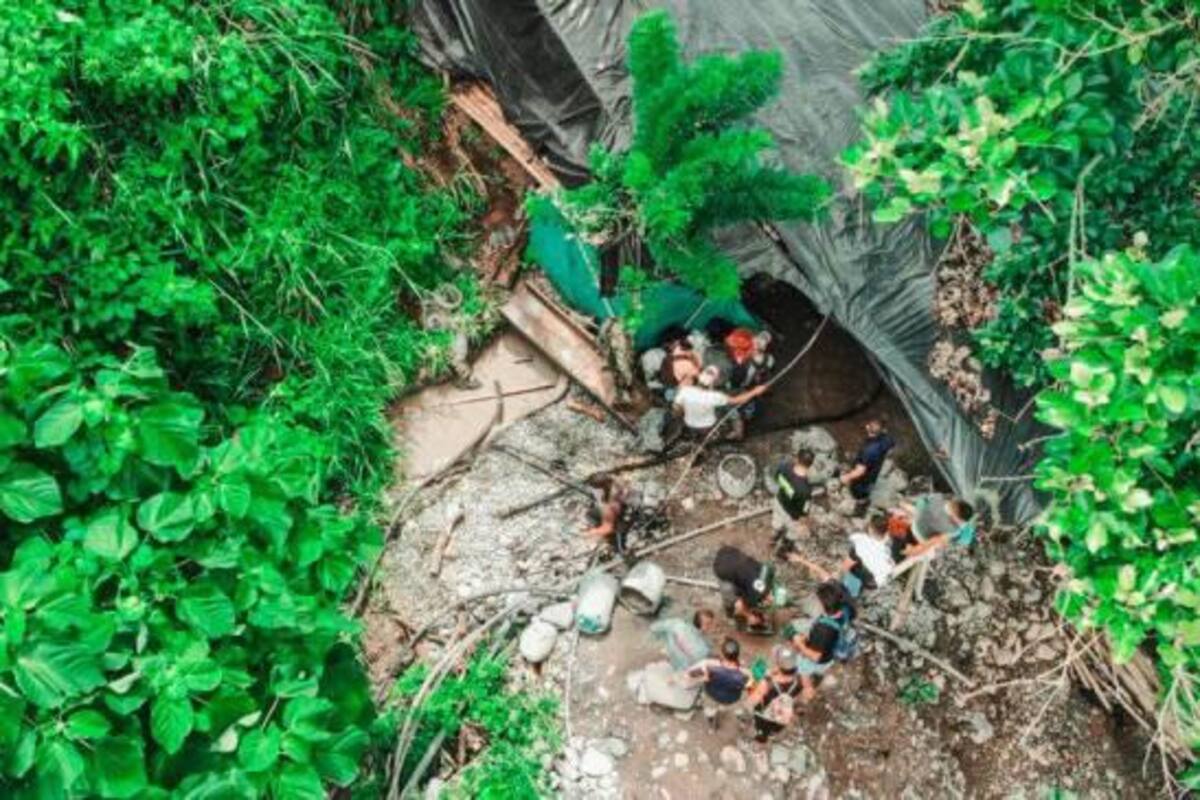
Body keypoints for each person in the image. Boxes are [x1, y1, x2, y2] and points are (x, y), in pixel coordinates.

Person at [787, 512, 894, 598]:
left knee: (849, 568)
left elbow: (843, 568)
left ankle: (853, 591)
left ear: (870, 528)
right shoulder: (888, 539)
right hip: (884, 576)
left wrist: (836, 574)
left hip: (872, 582)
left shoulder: (860, 544)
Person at [784, 582, 855, 701]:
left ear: (823, 604)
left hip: (819, 661)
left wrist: (799, 643)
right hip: (831, 650)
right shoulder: (844, 610)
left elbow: (815, 656)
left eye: (818, 600)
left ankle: (808, 693)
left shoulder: (823, 629)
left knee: (803, 668)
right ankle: (816, 678)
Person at [673, 366, 767, 440]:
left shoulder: (685, 391)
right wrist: (755, 391)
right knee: (733, 412)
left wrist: (685, 412)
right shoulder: (715, 396)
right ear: (712, 383)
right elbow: (737, 400)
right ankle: (737, 435)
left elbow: (676, 409)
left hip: (689, 424)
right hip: (708, 427)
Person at [686, 637, 751, 731]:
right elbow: (749, 687)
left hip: (711, 696)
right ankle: (743, 723)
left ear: (723, 655)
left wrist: (703, 676)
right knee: (738, 710)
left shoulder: (710, 667)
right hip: (731, 699)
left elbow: (690, 674)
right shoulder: (743, 675)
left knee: (710, 711)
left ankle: (712, 727)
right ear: (737, 655)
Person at [712, 544, 778, 632]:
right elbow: (738, 604)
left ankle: (744, 611)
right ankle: (730, 613)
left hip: (729, 554)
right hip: (724, 569)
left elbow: (762, 589)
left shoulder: (766, 572)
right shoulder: (750, 594)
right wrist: (749, 616)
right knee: (731, 601)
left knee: (750, 600)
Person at [747, 645, 803, 743]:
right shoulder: (800, 681)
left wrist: (753, 680)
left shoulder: (767, 683)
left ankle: (761, 739)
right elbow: (798, 699)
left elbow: (751, 702)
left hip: (765, 716)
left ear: (778, 665)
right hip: (782, 718)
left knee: (762, 730)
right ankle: (772, 735)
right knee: (774, 729)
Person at [839, 419, 895, 512]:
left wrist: (845, 477)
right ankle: (863, 502)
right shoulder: (885, 439)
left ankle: (858, 508)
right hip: (873, 474)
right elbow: (891, 444)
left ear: (868, 427)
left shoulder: (869, 450)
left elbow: (860, 471)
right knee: (867, 487)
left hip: (862, 481)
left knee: (858, 492)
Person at [899, 495, 977, 559]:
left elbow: (923, 503)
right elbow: (933, 541)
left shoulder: (939, 499)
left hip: (919, 522)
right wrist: (916, 551)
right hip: (920, 532)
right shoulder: (953, 528)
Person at [771, 448, 815, 553]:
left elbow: (776, 478)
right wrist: (804, 525)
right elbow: (804, 513)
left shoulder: (784, 467)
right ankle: (783, 550)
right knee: (793, 532)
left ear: (796, 459)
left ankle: (774, 537)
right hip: (791, 515)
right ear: (810, 465)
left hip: (778, 502)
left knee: (777, 521)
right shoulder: (805, 490)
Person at [582, 476, 639, 554]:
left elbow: (607, 528)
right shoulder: (617, 483)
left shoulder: (610, 505)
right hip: (631, 510)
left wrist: (589, 533)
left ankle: (619, 546)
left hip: (623, 520)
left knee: (590, 514)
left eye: (597, 488)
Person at [650, 609, 717, 671]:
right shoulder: (702, 649)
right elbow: (701, 663)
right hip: (682, 667)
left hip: (673, 654)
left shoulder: (679, 623)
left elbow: (654, 627)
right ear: (704, 625)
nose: (713, 626)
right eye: (709, 624)